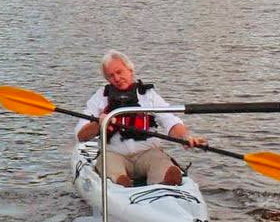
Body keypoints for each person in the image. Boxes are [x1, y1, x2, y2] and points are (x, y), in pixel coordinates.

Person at [75, 50, 207, 187]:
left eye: (119, 72)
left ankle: (165, 184)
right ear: (107, 79)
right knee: (116, 174)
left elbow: (170, 121)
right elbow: (81, 135)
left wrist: (185, 137)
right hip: (114, 155)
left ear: (130, 70)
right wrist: (99, 122)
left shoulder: (148, 95)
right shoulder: (100, 98)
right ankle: (121, 185)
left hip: (147, 153)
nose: (116, 78)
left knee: (164, 167)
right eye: (111, 76)